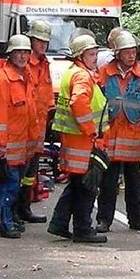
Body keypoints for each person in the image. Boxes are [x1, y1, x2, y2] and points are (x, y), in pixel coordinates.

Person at [96, 31, 140, 233]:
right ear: (117, 54)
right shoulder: (104, 72)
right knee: (108, 184)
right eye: (127, 52)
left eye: (133, 51)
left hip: (134, 137)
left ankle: (136, 219)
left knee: (134, 183)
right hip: (111, 137)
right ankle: (104, 220)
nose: (131, 56)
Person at [47, 34, 108, 244]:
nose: (95, 57)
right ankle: (82, 229)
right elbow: (79, 103)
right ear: (80, 56)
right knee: (87, 187)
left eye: (96, 53)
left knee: (76, 184)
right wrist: (91, 130)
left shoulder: (72, 72)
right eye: (91, 54)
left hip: (74, 140)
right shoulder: (82, 76)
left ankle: (59, 223)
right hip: (84, 141)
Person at [0, 34, 38, 238]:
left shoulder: (25, 77)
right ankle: (4, 224)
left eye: (26, 52)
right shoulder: (2, 79)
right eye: (18, 52)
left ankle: (8, 220)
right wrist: (1, 144)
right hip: (8, 146)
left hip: (22, 145)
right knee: (8, 186)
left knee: (14, 186)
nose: (23, 56)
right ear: (10, 54)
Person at [11, 21, 54, 225]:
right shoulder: (25, 64)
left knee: (30, 172)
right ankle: (14, 211)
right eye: (39, 41)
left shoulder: (45, 64)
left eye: (46, 41)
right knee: (19, 169)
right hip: (24, 126)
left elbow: (46, 95)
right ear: (31, 40)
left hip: (39, 126)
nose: (43, 45)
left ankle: (25, 207)